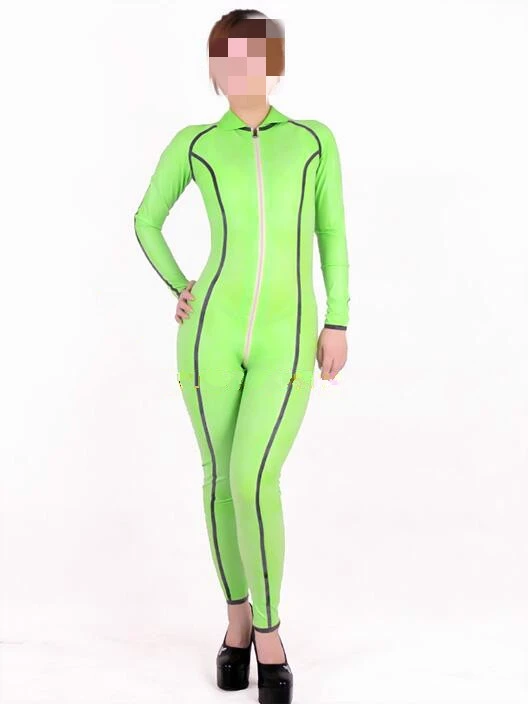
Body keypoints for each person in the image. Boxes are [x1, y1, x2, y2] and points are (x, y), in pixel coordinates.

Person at [133, 8, 349, 703]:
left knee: (255, 477)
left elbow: (331, 234)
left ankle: (268, 632)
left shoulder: (313, 142)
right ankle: (233, 623)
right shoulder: (196, 144)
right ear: (215, 68)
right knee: (221, 479)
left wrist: (338, 319)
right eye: (229, 57)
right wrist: (180, 285)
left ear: (275, 65)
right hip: (209, 338)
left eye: (257, 55)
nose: (243, 69)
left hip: (288, 337)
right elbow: (146, 220)